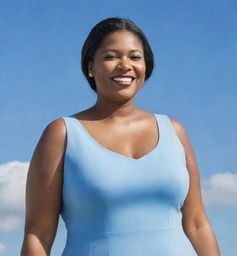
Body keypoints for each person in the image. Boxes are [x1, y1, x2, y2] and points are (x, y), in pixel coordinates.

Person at [21, 17, 220, 256]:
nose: (125, 65)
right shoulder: (62, 134)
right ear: (90, 67)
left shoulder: (174, 130)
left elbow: (198, 224)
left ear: (146, 65)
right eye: (111, 56)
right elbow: (38, 233)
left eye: (135, 57)